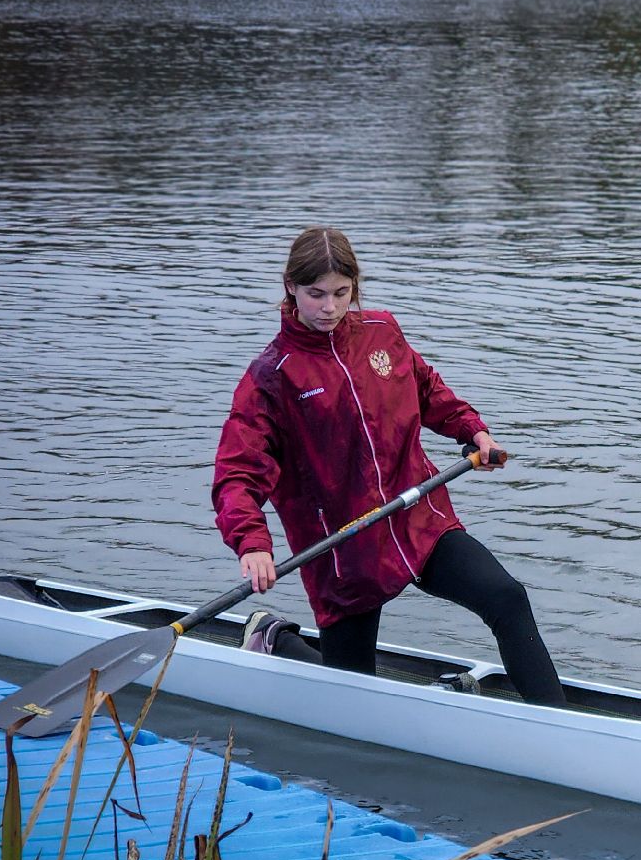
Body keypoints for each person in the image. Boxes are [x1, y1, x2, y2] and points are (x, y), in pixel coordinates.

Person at [211, 226, 567, 706]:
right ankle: (277, 639)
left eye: (341, 293)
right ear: (291, 288)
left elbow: (427, 390)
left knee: (507, 597)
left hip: (419, 519)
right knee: (353, 700)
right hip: (345, 551)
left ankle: (558, 724)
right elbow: (237, 474)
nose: (330, 308)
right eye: (316, 294)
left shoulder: (382, 332)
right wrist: (252, 544)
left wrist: (473, 431)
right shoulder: (271, 378)